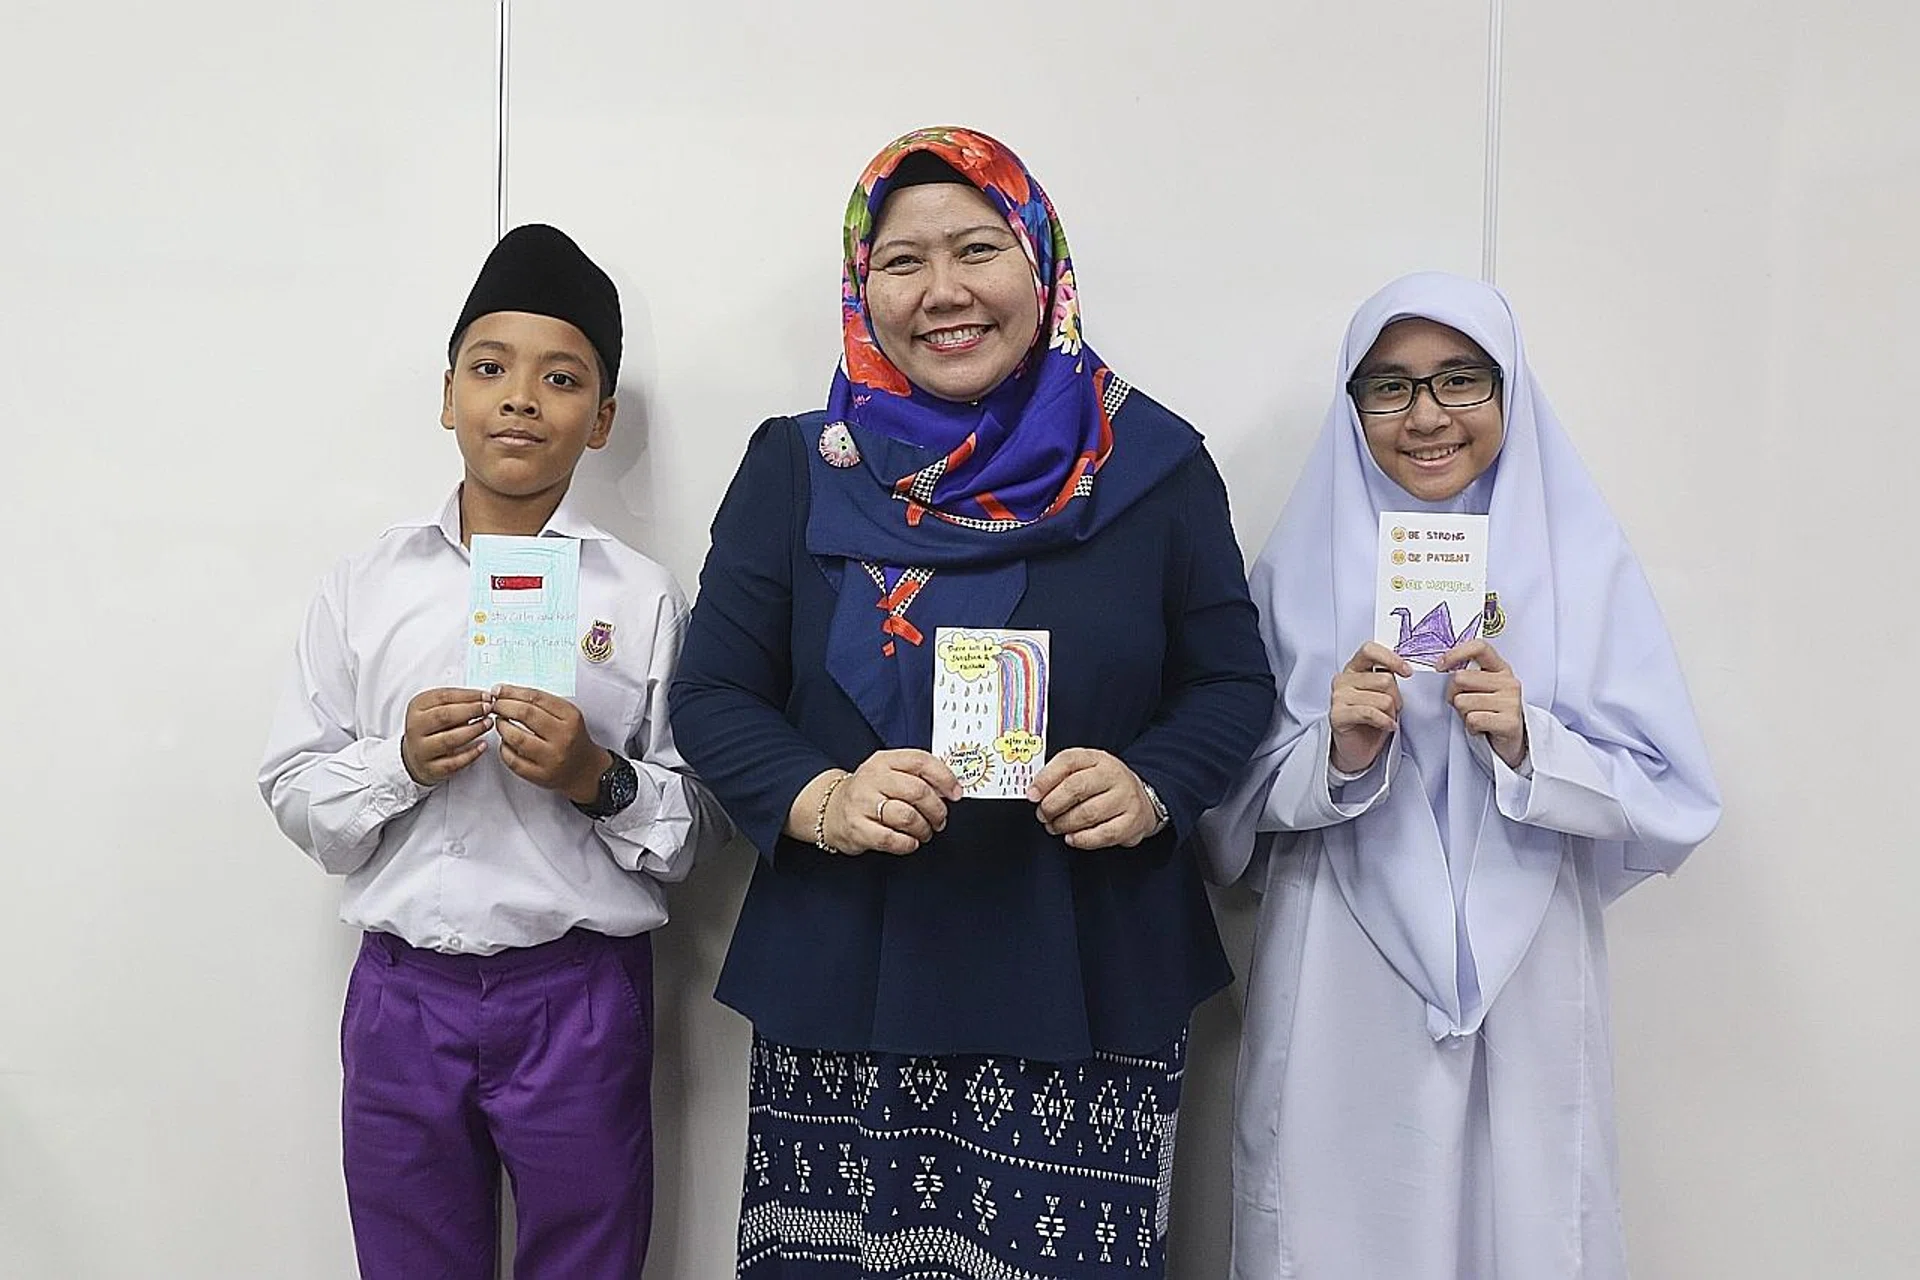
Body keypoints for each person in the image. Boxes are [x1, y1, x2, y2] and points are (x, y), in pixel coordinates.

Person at [668, 126, 1275, 1278]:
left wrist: (1153, 784)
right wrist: (820, 795)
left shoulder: (1151, 464)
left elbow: (1230, 678)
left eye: (978, 249)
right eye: (902, 261)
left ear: (1041, 264)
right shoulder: (800, 466)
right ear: (863, 290)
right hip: (849, 970)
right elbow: (711, 690)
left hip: (1086, 968)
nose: (943, 291)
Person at [1200, 271, 1722, 1278]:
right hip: (1341, 968)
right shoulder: (1296, 570)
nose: (1427, 415)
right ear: (1353, 403)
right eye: (1389, 386)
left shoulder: (1582, 564)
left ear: (1508, 388)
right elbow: (1223, 813)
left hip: (1529, 970)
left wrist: (1532, 746)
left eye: (1460, 379)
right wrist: (1335, 756)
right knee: (1333, 1224)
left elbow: (1674, 795)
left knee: (1525, 1221)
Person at [258, 224, 725, 1279]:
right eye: (489, 369)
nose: (520, 399)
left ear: (600, 420)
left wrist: (596, 777)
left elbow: (701, 823)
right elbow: (293, 791)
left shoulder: (642, 598)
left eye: (561, 378)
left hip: (580, 993)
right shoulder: (365, 585)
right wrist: (398, 762)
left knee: (588, 1261)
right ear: (446, 396)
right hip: (402, 998)